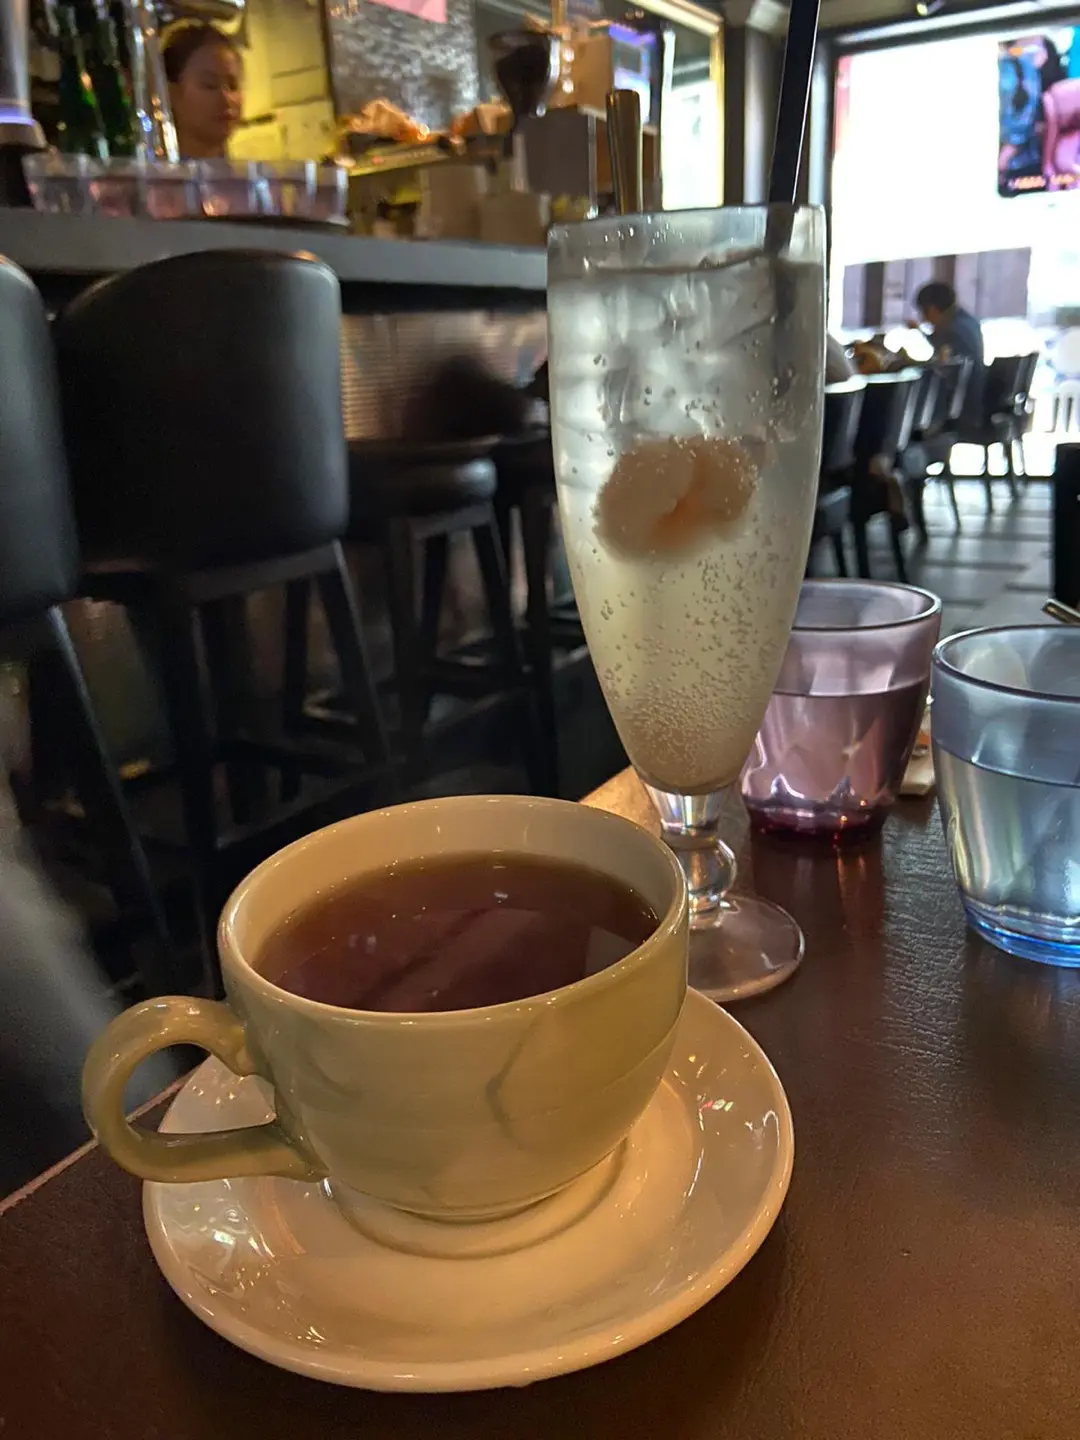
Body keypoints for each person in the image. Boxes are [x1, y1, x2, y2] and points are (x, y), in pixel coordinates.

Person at [162, 23, 243, 160]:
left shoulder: (251, 172)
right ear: (172, 93)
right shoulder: (152, 172)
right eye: (209, 85)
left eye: (233, 86)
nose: (226, 98)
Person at [914, 280, 985, 429]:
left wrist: (906, 363)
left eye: (924, 313)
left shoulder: (951, 328)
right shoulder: (968, 321)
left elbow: (941, 367)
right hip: (975, 401)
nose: (924, 320)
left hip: (959, 410)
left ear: (932, 310)